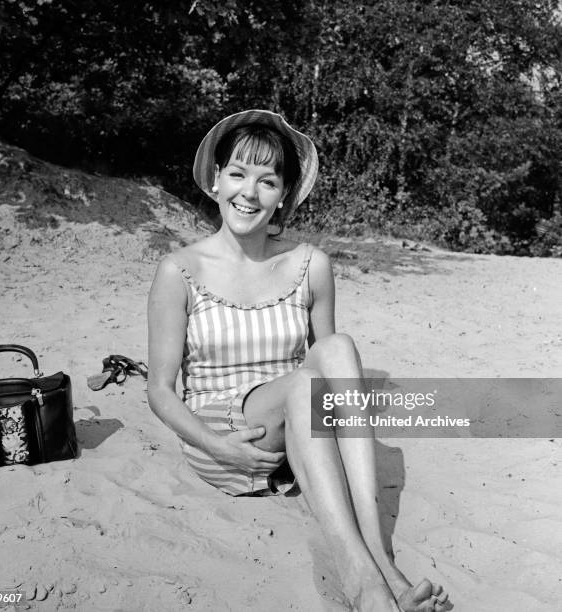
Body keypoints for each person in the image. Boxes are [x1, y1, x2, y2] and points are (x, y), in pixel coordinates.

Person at [147, 110, 452, 611]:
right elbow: (159, 389)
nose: (250, 192)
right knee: (301, 387)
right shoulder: (179, 270)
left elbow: (332, 377)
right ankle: (365, 587)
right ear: (216, 179)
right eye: (238, 174)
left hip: (298, 434)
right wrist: (219, 447)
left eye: (267, 181)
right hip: (224, 435)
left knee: (337, 348)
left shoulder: (311, 265)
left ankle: (381, 557)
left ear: (284, 193)